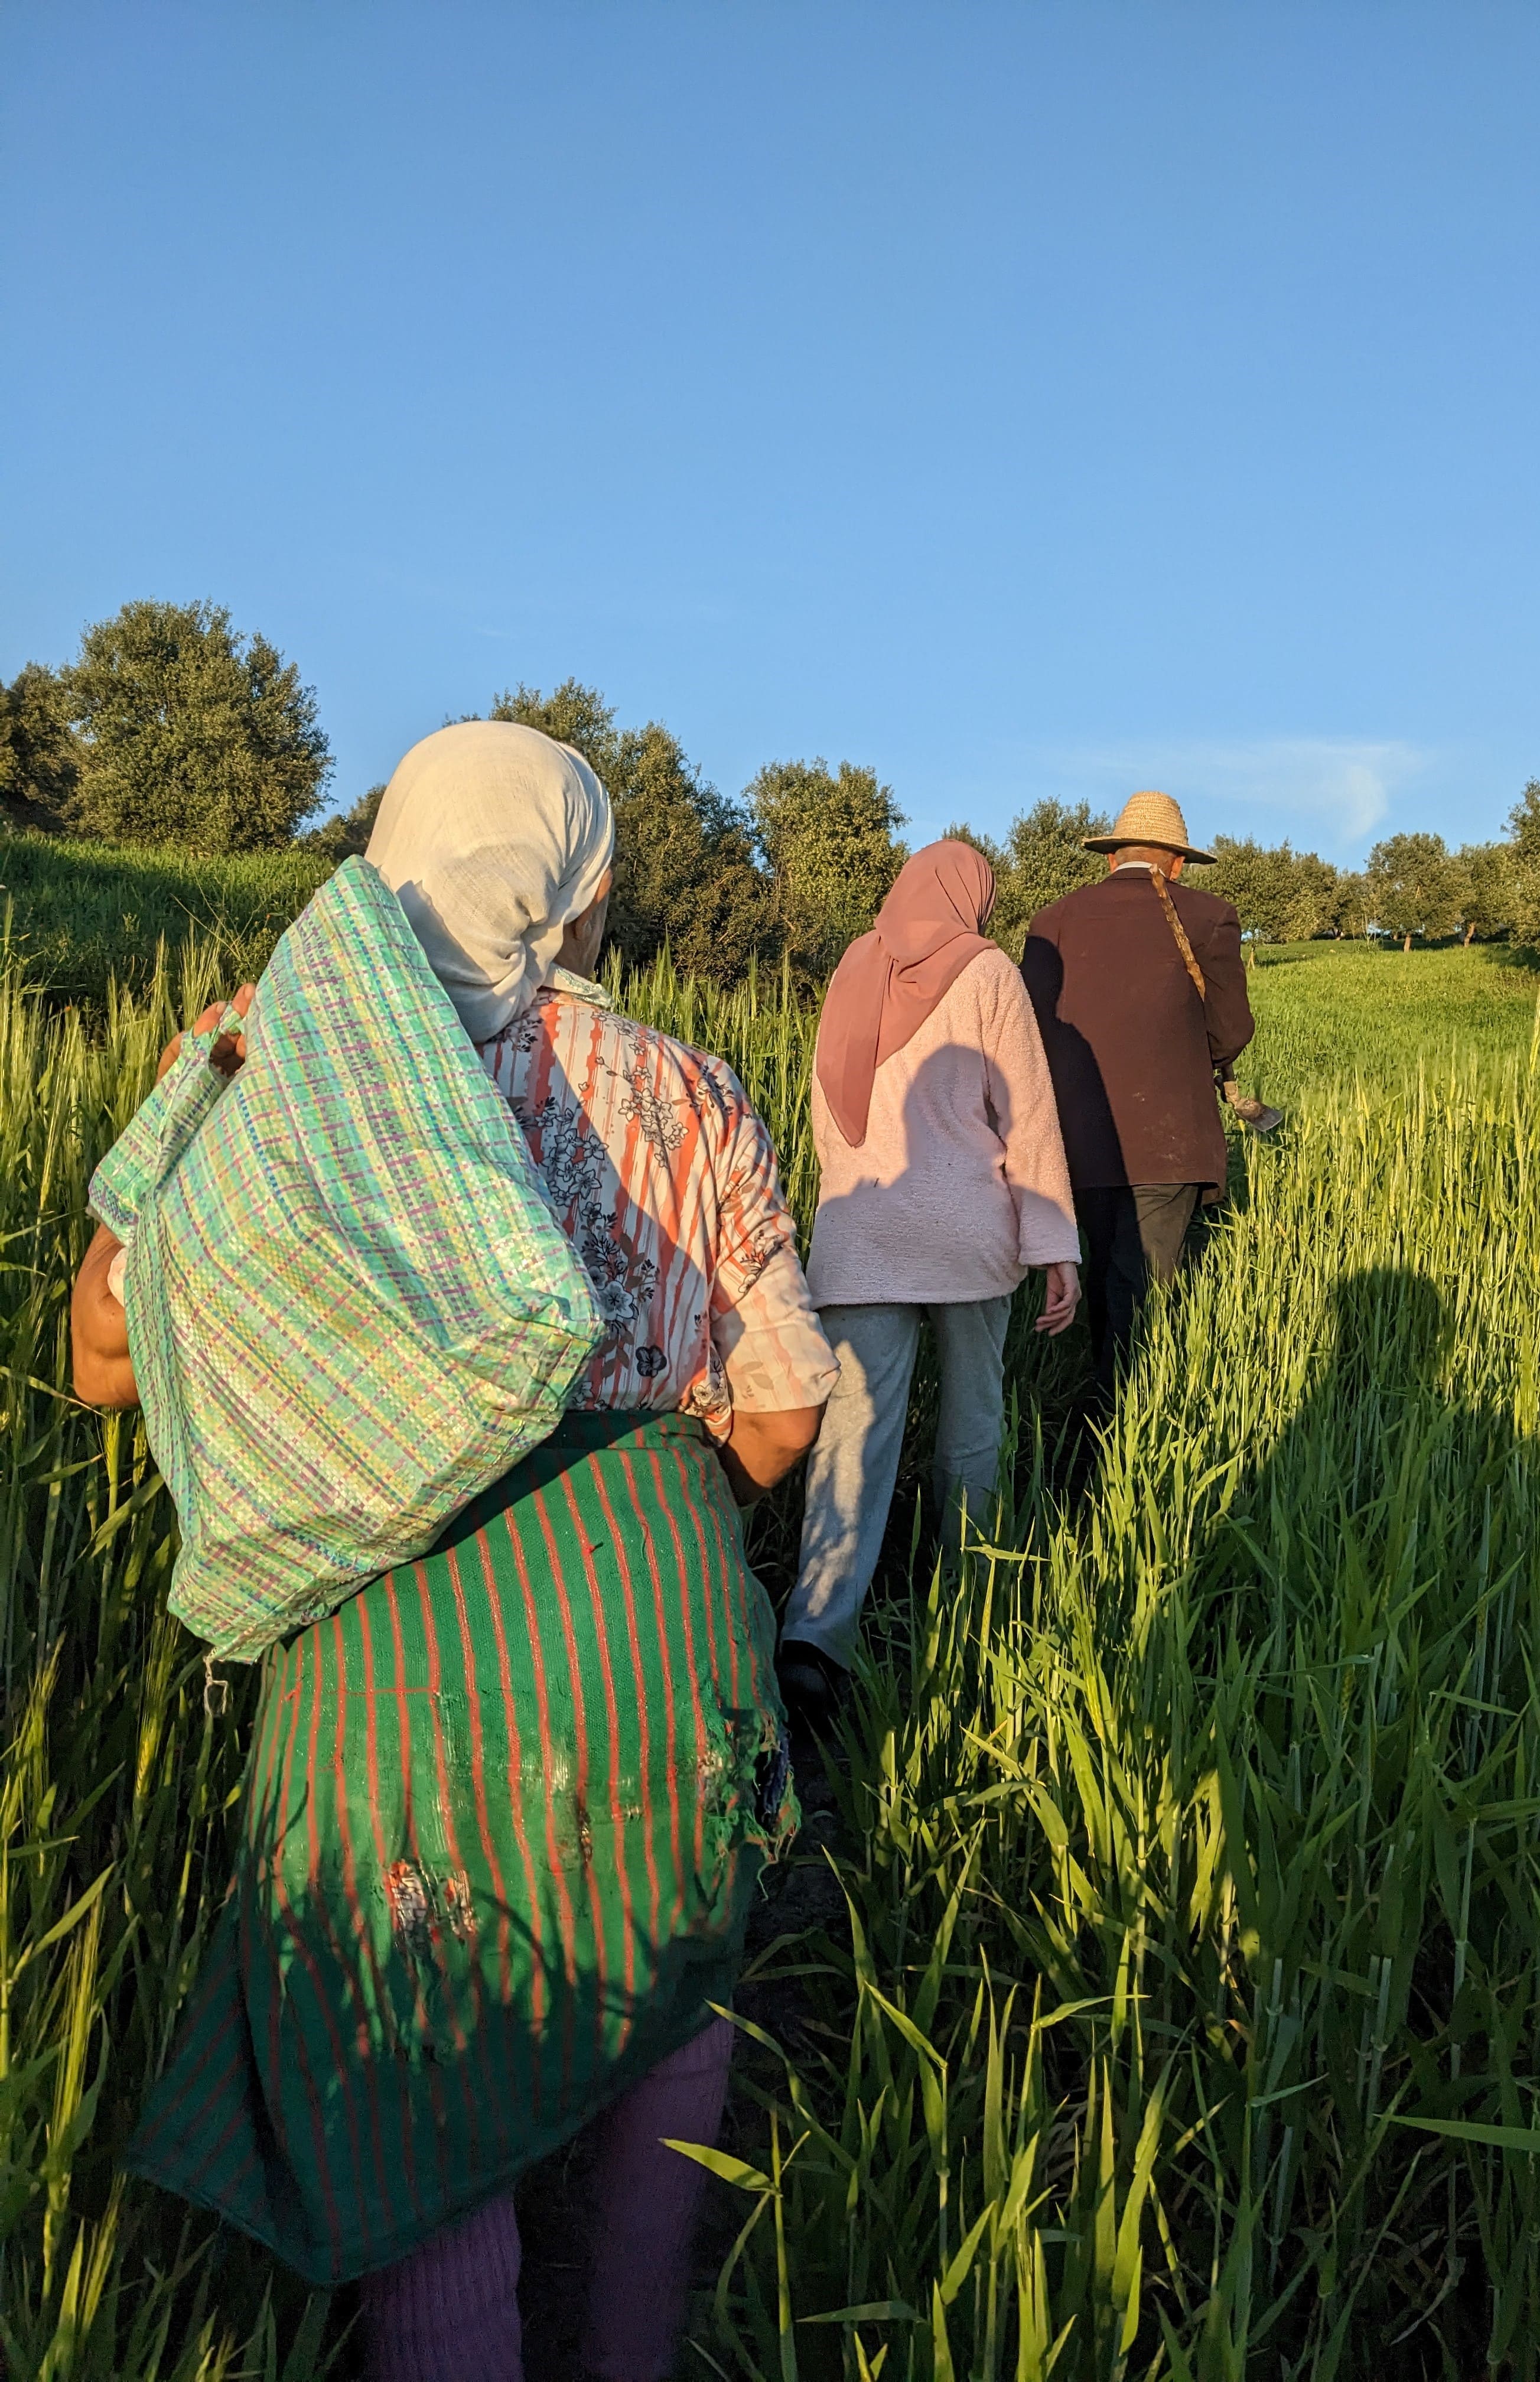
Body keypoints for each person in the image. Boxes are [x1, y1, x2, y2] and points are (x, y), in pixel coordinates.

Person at [70, 720, 839, 2382]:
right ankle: (631, 2348)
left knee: (415, 2007)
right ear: (569, 891)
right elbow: (782, 1412)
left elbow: (101, 1353)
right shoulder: (690, 1088)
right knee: (669, 1936)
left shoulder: (257, 1056)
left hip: (392, 1624)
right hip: (651, 1592)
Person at [777, 839, 1080, 1723]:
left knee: (854, 1433)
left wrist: (849, 1205)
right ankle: (971, 1607)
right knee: (973, 1427)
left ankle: (815, 1635)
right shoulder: (987, 972)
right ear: (971, 897)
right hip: (967, 1235)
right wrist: (1053, 1240)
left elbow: (826, 1100)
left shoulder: (852, 967)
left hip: (863, 1230)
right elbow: (1026, 1112)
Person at [1019, 789, 1254, 1402]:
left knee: (1104, 1269)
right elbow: (1232, 1030)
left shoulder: (1053, 921)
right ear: (1177, 862)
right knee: (1144, 1283)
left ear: (1111, 857)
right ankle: (1124, 1418)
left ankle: (1101, 1402)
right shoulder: (1210, 916)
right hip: (1169, 1139)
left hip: (1076, 1137)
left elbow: (1032, 1033)